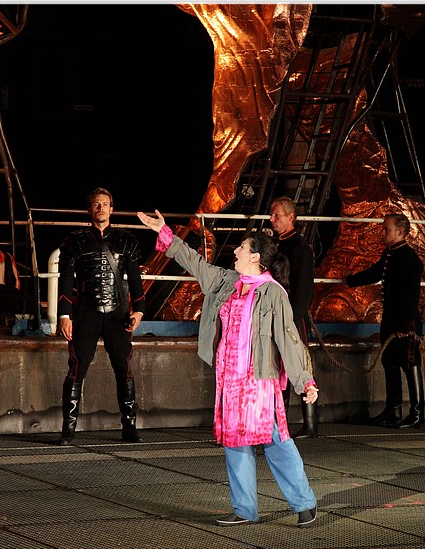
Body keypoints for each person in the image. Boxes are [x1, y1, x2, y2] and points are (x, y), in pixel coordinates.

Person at [137, 208, 320, 528]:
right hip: (230, 380)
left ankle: (304, 502)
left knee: (275, 440)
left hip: (259, 380)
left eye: (242, 248)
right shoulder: (227, 281)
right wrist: (165, 233)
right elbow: (195, 263)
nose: (235, 250)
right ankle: (245, 508)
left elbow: (288, 338)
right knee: (235, 442)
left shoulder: (273, 293)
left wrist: (305, 380)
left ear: (255, 258)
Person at [56, 188, 146, 445]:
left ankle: (129, 427)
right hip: (86, 312)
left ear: (111, 209)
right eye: (96, 204)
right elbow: (65, 281)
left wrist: (139, 310)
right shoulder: (74, 242)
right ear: (89, 209)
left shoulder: (126, 241)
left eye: (105, 204)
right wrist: (64, 315)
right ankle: (68, 430)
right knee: (77, 367)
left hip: (117, 314)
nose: (101, 208)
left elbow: (135, 281)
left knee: (123, 367)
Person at [344, 213, 425, 429]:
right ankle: (393, 411)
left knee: (409, 363)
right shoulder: (390, 253)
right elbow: (376, 272)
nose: (383, 232)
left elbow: (411, 297)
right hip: (391, 317)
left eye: (386, 229)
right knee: (390, 362)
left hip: (405, 321)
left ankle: (417, 413)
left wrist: (404, 325)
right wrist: (350, 280)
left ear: (400, 231)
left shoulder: (409, 258)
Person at [269, 196, 318, 438]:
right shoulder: (276, 246)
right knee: (279, 368)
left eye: (277, 215)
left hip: (292, 316)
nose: (272, 219)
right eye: (272, 215)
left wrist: (293, 319)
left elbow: (303, 289)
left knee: (299, 364)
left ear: (291, 217)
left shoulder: (300, 248)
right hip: (276, 313)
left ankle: (310, 424)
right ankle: (280, 421)